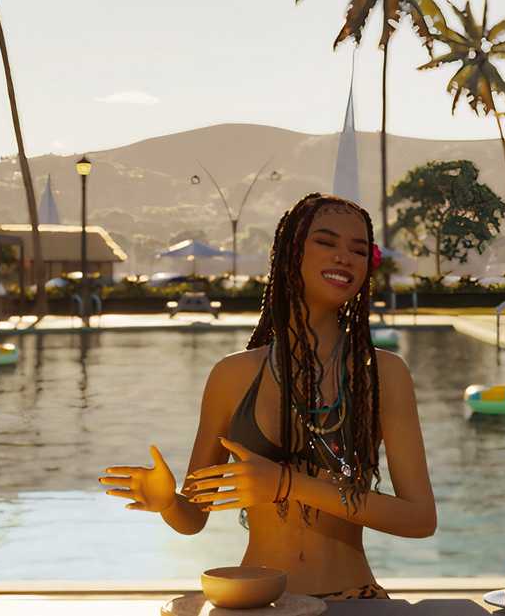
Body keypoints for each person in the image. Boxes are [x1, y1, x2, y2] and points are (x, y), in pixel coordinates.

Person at [100, 193, 435, 600]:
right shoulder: (232, 375)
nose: (345, 257)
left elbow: (420, 519)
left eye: (359, 250)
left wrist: (287, 483)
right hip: (259, 602)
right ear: (290, 252)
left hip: (353, 599)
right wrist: (168, 502)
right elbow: (194, 517)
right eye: (326, 242)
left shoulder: (383, 373)